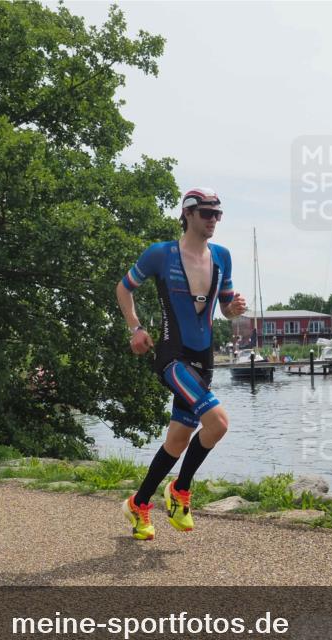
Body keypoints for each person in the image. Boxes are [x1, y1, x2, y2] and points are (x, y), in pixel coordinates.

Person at [115, 188, 247, 540]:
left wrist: (233, 310)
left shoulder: (223, 257)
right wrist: (136, 328)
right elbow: (123, 288)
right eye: (206, 213)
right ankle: (180, 491)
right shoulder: (161, 254)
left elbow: (225, 305)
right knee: (217, 423)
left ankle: (139, 503)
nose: (213, 220)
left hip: (204, 360)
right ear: (188, 213)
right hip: (172, 357)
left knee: (177, 440)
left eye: (217, 214)